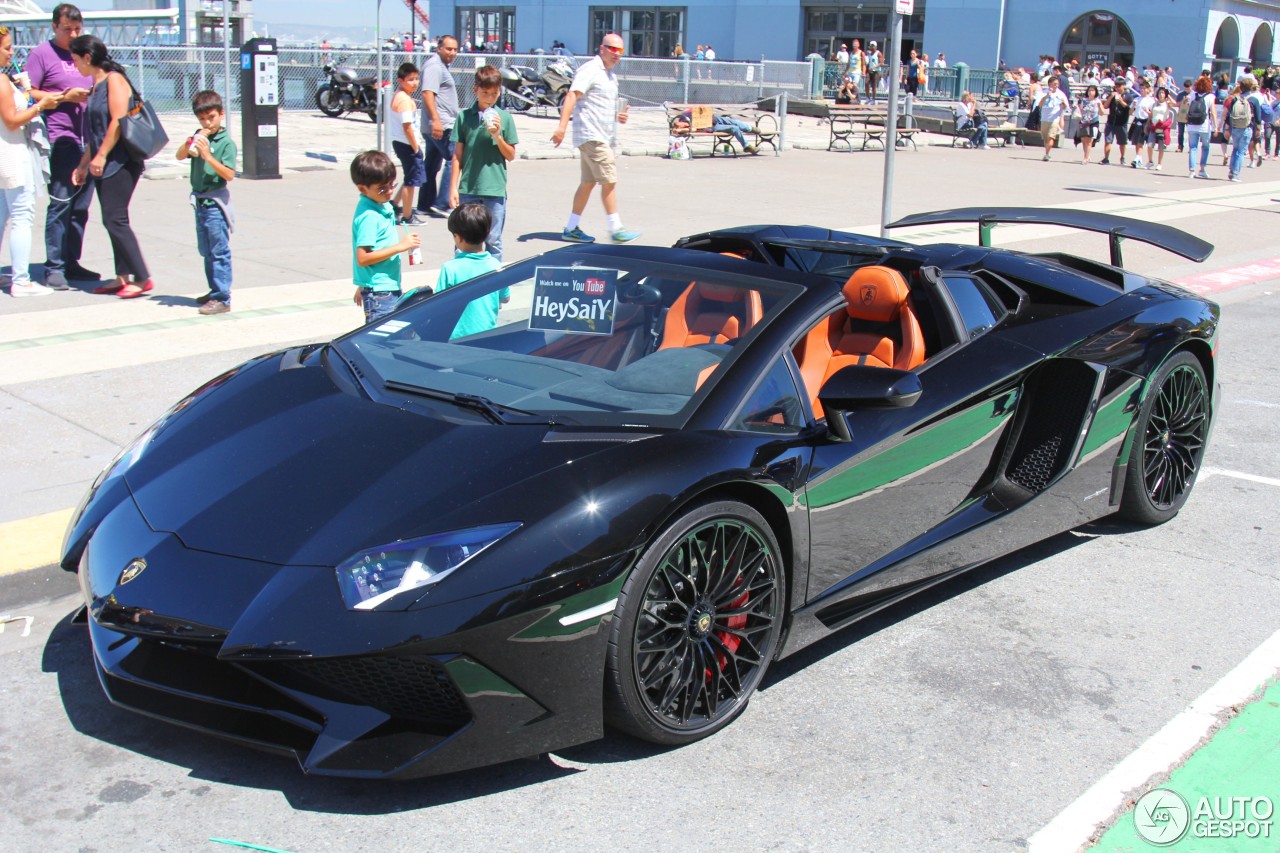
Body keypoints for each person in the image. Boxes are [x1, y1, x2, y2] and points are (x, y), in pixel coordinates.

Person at [69, 35, 150, 298]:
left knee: (115, 219)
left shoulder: (114, 79)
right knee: (112, 218)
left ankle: (142, 277)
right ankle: (122, 276)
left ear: (88, 57)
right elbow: (96, 131)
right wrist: (84, 164)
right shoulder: (95, 86)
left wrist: (101, 157)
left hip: (121, 160)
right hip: (104, 161)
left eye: (75, 60)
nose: (75, 66)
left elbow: (117, 121)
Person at [25, 4, 97, 290]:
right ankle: (53, 266)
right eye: (67, 30)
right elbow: (28, 91)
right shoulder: (41, 54)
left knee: (81, 205)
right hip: (60, 137)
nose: (73, 34)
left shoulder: (85, 51)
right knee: (62, 202)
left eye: (78, 29)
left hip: (88, 140)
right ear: (55, 27)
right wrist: (65, 96)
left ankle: (71, 261)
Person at [551, 33, 639, 244]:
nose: (616, 54)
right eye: (612, 49)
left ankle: (571, 228)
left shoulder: (611, 76)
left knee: (588, 183)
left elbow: (601, 104)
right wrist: (562, 126)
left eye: (620, 51)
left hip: (602, 135)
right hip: (592, 135)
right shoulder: (590, 69)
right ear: (602, 48)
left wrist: (620, 115)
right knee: (609, 179)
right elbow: (572, 95)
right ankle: (616, 227)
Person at [0, 26, 60, 297]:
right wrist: (39, 107)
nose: (11, 52)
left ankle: (17, 277)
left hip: (5, 154)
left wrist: (26, 93)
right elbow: (12, 121)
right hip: (12, 154)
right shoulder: (1, 81)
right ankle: (21, 280)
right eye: (6, 47)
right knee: (22, 216)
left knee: (3, 216)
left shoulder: (6, 79)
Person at [175, 90, 237, 314]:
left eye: (211, 117)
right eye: (202, 119)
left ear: (221, 114)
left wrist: (208, 156)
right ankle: (214, 290)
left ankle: (223, 297)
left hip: (215, 203)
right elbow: (180, 155)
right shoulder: (200, 136)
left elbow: (229, 174)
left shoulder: (225, 143)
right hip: (200, 202)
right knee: (207, 250)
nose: (207, 122)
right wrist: (191, 141)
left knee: (219, 250)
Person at [448, 65, 517, 262]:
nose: (489, 97)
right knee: (464, 239)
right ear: (475, 90)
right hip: (469, 187)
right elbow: (457, 156)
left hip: (494, 189)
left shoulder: (505, 118)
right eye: (485, 92)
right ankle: (462, 284)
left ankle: (494, 286)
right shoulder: (464, 117)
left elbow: (510, 155)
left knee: (493, 240)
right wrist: (453, 187)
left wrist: (497, 135)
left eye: (494, 93)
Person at [349, 150, 420, 324]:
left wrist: (364, 283)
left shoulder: (380, 205)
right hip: (380, 292)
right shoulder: (369, 216)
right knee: (381, 341)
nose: (389, 192)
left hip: (384, 286)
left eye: (392, 185)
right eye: (382, 188)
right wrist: (400, 247)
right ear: (362, 189)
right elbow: (363, 258)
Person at [435, 203, 507, 339]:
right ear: (487, 233)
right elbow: (505, 297)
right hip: (487, 335)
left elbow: (439, 305)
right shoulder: (495, 265)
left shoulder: (450, 268)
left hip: (456, 337)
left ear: (459, 237)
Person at [417, 34, 459, 218]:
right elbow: (427, 93)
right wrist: (436, 120)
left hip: (437, 123)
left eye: (455, 49)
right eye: (448, 49)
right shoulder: (435, 66)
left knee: (431, 164)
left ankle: (425, 203)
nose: (452, 53)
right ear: (439, 48)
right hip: (441, 124)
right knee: (454, 158)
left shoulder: (440, 66)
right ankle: (443, 202)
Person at [387, 61, 425, 225]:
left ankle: (395, 204)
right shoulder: (403, 99)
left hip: (401, 142)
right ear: (401, 80)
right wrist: (416, 148)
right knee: (411, 182)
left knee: (409, 177)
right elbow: (407, 126)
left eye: (416, 79)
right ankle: (408, 216)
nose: (415, 83)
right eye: (410, 79)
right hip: (407, 144)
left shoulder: (399, 95)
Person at [1225, 77, 1261, 182]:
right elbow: (1258, 117)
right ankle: (1236, 174)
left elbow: (1229, 114)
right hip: (1247, 127)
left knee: (1235, 149)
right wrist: (1258, 129)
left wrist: (1227, 128)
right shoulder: (1254, 100)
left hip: (1235, 127)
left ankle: (1231, 171)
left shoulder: (1235, 99)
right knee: (1241, 151)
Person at [1185, 75, 1217, 179]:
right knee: (1206, 147)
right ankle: (1202, 169)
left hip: (1192, 125)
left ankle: (1191, 170)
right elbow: (1213, 112)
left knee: (1193, 148)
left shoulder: (1193, 95)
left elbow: (1188, 108)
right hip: (1204, 125)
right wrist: (1216, 127)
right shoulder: (1210, 97)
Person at [1036, 75, 1070, 161]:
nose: (1056, 85)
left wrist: (1063, 104)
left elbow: (1066, 107)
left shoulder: (1060, 94)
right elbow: (1040, 104)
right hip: (1044, 118)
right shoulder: (1044, 92)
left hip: (1054, 119)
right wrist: (1046, 96)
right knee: (1045, 138)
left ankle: (1047, 154)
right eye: (1054, 84)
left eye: (1057, 84)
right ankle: (1046, 152)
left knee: (1051, 137)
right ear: (1050, 84)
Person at [1100, 77, 1134, 165]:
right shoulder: (1112, 95)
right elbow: (1105, 106)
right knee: (1108, 140)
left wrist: (1120, 100)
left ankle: (1122, 157)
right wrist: (1111, 97)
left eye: (1119, 86)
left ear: (1124, 86)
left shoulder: (1128, 96)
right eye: (1116, 86)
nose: (1117, 88)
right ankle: (1106, 158)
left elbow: (1128, 108)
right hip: (1111, 121)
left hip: (1122, 122)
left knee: (1122, 142)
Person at [1144, 87, 1173, 171]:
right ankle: (1150, 161)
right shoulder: (1154, 104)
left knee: (1161, 147)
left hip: (1162, 126)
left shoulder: (1167, 103)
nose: (1161, 94)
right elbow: (1152, 115)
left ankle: (1159, 163)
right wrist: (1147, 124)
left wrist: (1169, 96)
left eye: (1163, 93)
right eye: (1160, 93)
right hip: (1154, 125)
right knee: (1149, 145)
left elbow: (1174, 104)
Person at [1128, 79, 1154, 169]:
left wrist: (1147, 112)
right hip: (1137, 120)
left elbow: (1152, 114)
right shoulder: (1137, 99)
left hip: (1145, 121)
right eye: (1141, 88)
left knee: (1141, 142)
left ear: (1148, 89)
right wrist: (1134, 106)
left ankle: (1137, 158)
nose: (1142, 90)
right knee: (1136, 142)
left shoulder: (1151, 101)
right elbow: (1130, 112)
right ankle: (1139, 159)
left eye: (1144, 88)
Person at [1077, 84, 1101, 164]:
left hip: (1093, 122)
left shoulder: (1097, 101)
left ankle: (1086, 158)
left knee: (1089, 140)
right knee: (1084, 140)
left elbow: (1102, 113)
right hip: (1084, 121)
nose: (1091, 92)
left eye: (1093, 90)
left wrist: (1100, 106)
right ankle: (1087, 155)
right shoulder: (1084, 100)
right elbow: (1080, 110)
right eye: (1089, 90)